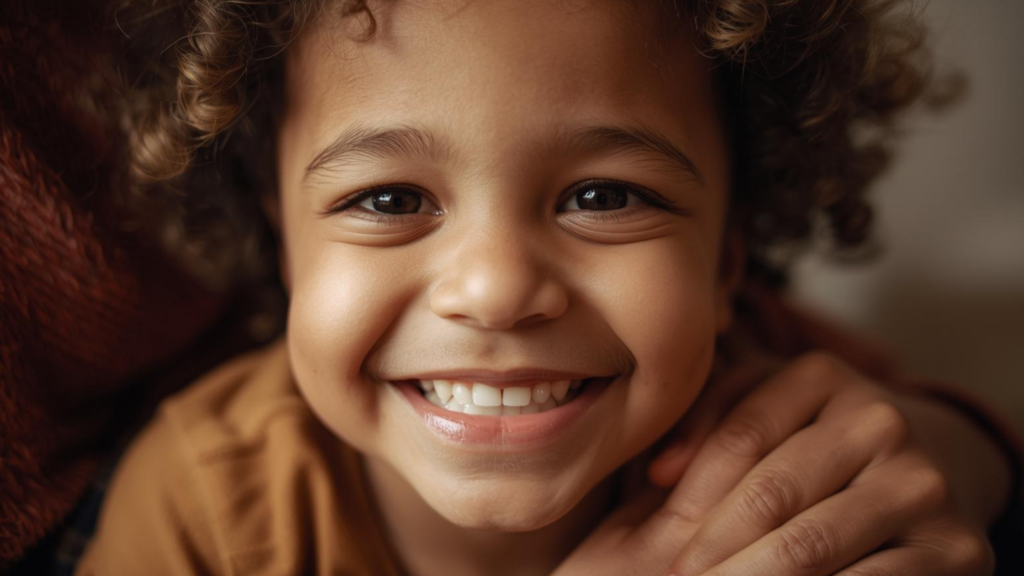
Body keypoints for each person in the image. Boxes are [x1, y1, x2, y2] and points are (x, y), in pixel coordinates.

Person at [74, 0, 1021, 574]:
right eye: (390, 197)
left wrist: (966, 453)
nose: (495, 290)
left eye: (603, 196)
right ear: (286, 244)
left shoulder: (774, 437)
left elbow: (934, 468)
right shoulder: (199, 509)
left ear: (727, 256)